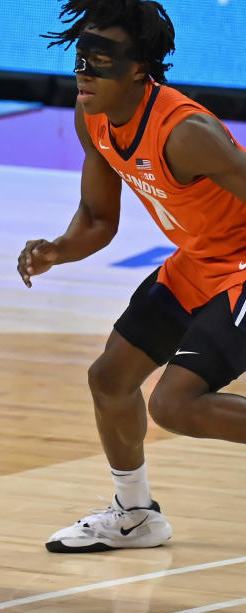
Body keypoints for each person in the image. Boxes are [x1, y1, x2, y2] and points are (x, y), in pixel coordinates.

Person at [19, 0, 246, 553]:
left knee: (175, 405)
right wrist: (57, 250)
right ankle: (135, 515)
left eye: (101, 60)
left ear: (139, 69)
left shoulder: (187, 132)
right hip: (197, 261)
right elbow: (98, 220)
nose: (84, 72)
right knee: (110, 380)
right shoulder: (91, 116)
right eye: (81, 57)